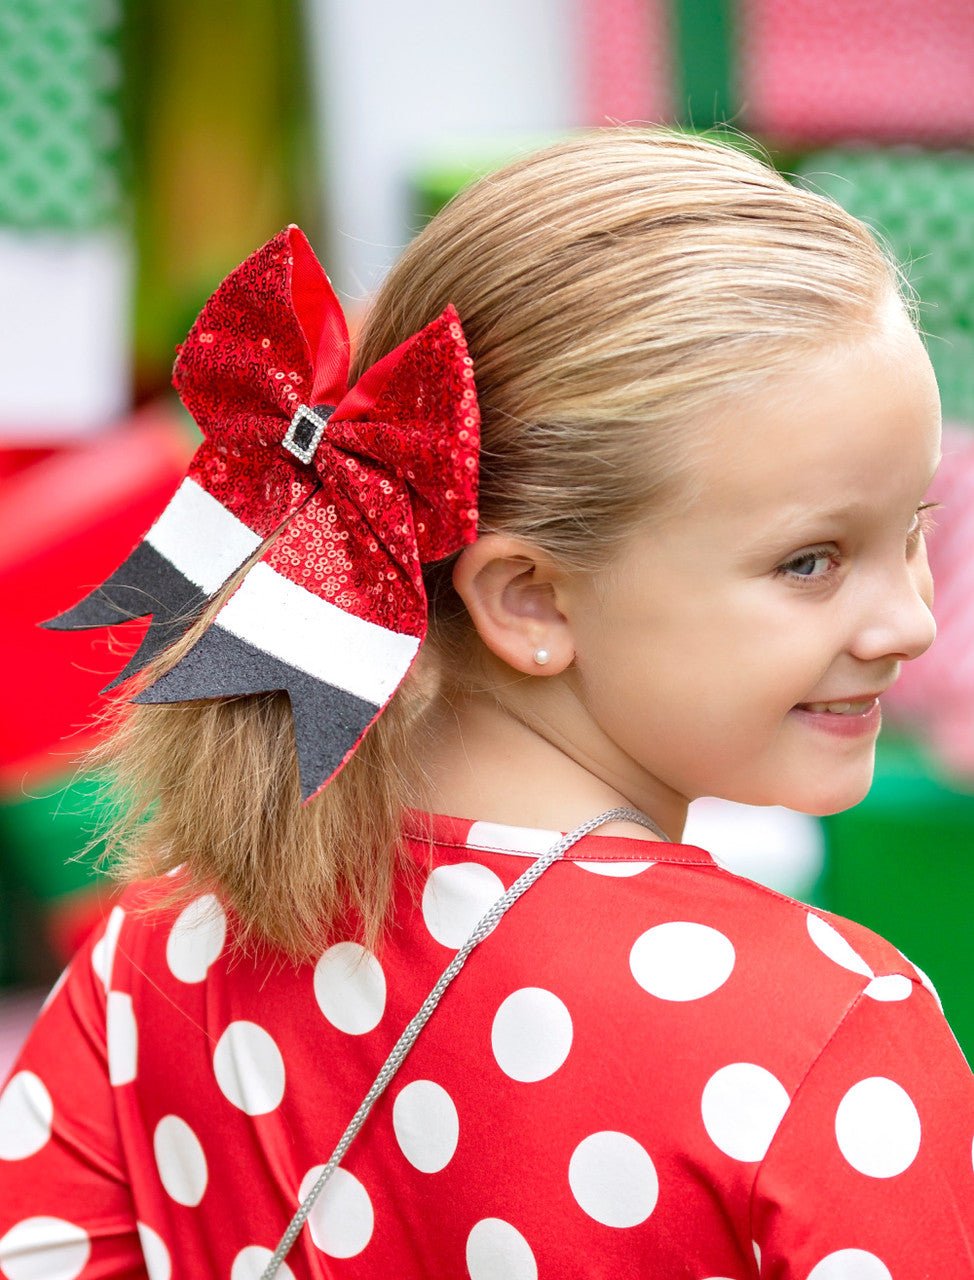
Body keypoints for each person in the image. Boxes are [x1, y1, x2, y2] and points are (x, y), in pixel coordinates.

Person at [0, 127, 971, 1280]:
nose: (907, 619)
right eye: (810, 559)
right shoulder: (827, 1028)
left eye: (909, 530)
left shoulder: (148, 963)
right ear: (526, 598)